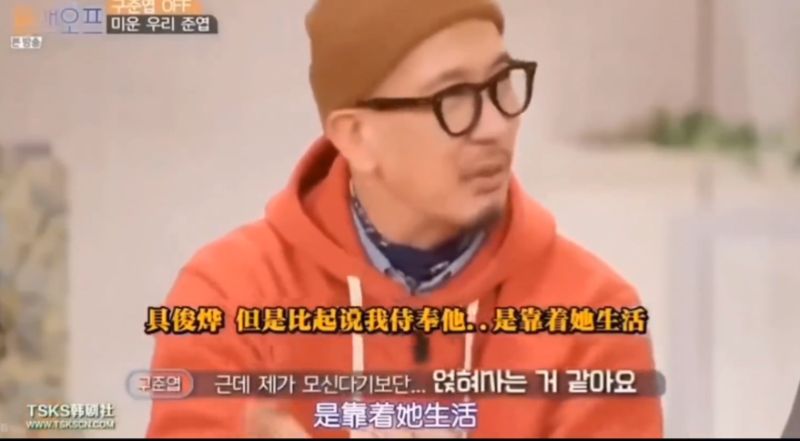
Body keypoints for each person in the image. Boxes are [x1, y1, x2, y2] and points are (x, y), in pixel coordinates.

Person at [147, 0, 663, 437]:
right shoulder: (230, 298)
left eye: (501, 83)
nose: (495, 126)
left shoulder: (594, 315)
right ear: (356, 136)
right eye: (452, 98)